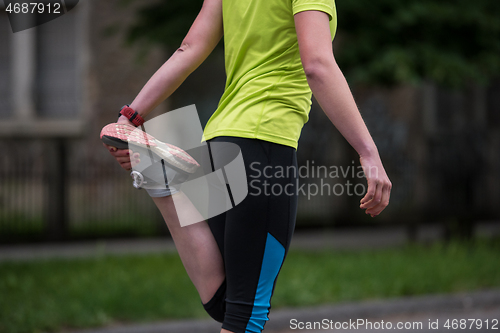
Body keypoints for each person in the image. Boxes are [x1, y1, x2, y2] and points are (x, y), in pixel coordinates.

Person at [103, 0, 392, 332]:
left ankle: (164, 182)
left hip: (219, 142)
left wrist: (130, 117)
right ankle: (165, 178)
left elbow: (188, 49)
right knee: (246, 314)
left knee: (224, 302)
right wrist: (368, 151)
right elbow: (317, 65)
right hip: (265, 146)